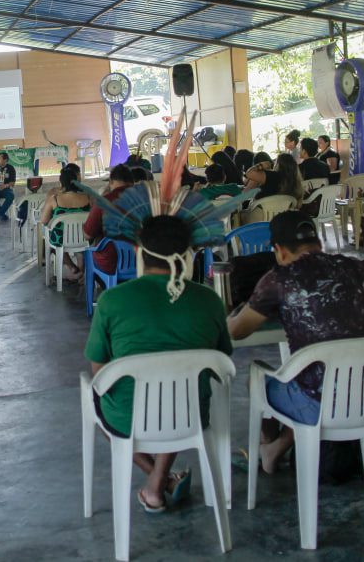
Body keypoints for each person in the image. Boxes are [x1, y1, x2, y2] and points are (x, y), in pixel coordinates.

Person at [85, 214, 233, 512]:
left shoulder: (113, 301)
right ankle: (160, 479)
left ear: (139, 252)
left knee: (96, 402)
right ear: (189, 254)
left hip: (127, 417)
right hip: (191, 413)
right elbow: (222, 361)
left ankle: (156, 480)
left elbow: (99, 373)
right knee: (179, 394)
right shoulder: (209, 300)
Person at [227, 212, 364, 473]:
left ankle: (268, 447)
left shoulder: (280, 279)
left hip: (320, 404)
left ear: (278, 250)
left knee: (260, 377)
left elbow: (237, 332)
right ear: (319, 243)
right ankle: (275, 448)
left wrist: (233, 313)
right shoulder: (356, 267)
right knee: (307, 379)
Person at [41, 164, 91, 283]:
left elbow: (44, 220)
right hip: (84, 237)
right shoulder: (88, 197)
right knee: (81, 246)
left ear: (61, 182)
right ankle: (81, 274)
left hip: (61, 239)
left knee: (52, 241)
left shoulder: (55, 198)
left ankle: (74, 269)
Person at [84, 164, 133, 275]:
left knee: (90, 253)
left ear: (111, 182)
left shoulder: (104, 202)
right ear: (132, 182)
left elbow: (87, 235)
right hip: (144, 263)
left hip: (111, 263)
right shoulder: (147, 199)